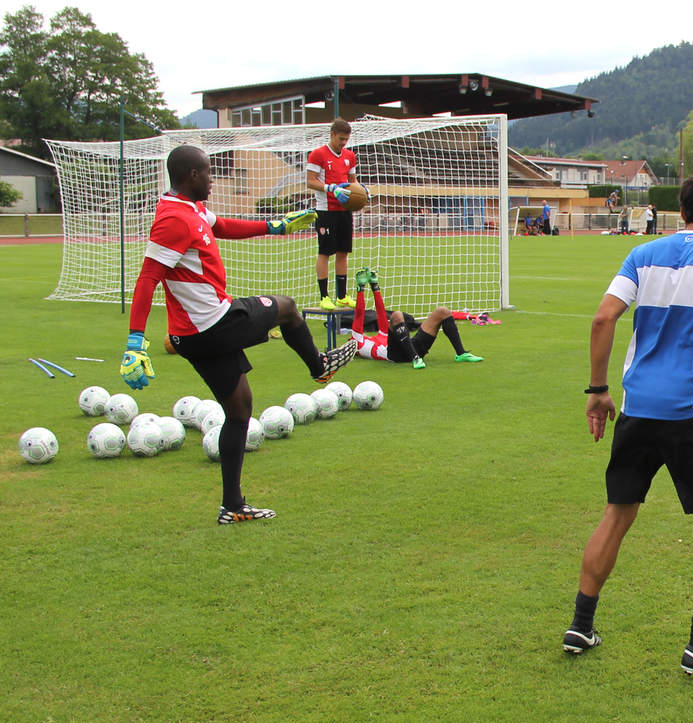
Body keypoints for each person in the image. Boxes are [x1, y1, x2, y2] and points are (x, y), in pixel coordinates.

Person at [562, 172, 693, 680]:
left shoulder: (641, 254)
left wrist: (598, 391)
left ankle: (581, 625)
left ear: (681, 209)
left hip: (638, 407)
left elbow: (604, 318)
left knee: (616, 514)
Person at [121, 145, 359, 524]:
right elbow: (148, 277)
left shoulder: (192, 209)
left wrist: (274, 226)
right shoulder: (172, 219)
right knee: (288, 308)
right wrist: (135, 340)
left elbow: (225, 227)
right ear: (192, 176)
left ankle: (232, 506)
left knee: (239, 410)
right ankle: (320, 367)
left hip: (197, 334)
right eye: (209, 172)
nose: (214, 179)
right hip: (214, 323)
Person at [347, 268, 483, 366]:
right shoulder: (356, 342)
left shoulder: (377, 336)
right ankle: (415, 358)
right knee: (397, 315)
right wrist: (361, 288)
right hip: (395, 356)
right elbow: (359, 315)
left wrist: (375, 287)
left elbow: (381, 314)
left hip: (410, 346)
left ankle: (461, 353)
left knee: (443, 311)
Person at [306, 118, 358, 310]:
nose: (343, 143)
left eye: (346, 139)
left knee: (343, 252)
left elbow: (353, 181)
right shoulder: (318, 155)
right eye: (341, 139)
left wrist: (362, 191)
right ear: (332, 135)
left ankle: (342, 296)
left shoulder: (350, 156)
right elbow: (310, 181)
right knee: (325, 252)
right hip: (326, 211)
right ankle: (324, 296)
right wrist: (330, 188)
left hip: (344, 211)